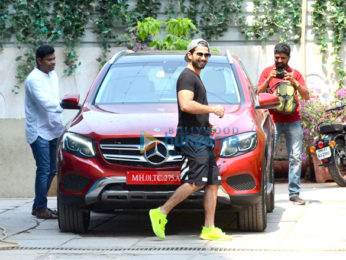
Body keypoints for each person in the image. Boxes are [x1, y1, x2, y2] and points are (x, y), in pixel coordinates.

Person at [149, 39, 232, 241]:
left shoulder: (195, 76)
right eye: (199, 54)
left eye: (206, 55)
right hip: (192, 138)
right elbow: (186, 105)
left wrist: (206, 122)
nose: (203, 58)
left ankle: (209, 228)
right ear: (189, 55)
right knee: (196, 181)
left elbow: (193, 109)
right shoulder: (187, 77)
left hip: (200, 134)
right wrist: (212, 109)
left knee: (212, 183)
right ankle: (160, 212)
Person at [257, 42, 310, 205]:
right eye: (277, 57)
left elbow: (306, 95)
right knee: (267, 156)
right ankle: (265, 191)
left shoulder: (295, 73)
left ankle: (294, 194)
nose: (279, 60)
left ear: (289, 58)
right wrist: (269, 79)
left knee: (295, 157)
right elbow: (258, 93)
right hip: (273, 121)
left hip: (293, 120)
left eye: (283, 58)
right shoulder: (268, 72)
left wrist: (294, 82)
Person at [25, 45, 65, 219]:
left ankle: (38, 205)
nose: (53, 63)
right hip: (39, 131)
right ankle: (40, 207)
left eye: (54, 59)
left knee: (52, 170)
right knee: (43, 169)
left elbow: (54, 99)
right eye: (49, 60)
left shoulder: (53, 75)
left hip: (53, 128)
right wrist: (66, 106)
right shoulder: (33, 79)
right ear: (39, 60)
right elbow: (46, 103)